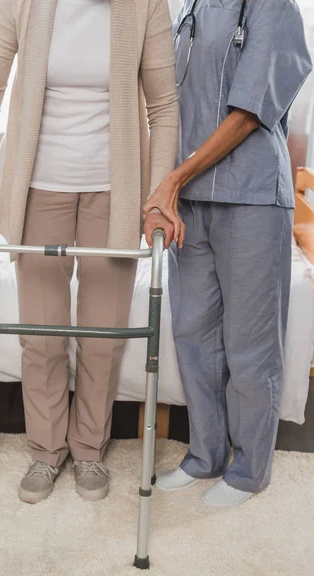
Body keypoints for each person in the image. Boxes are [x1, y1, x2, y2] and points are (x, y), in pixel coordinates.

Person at [0, 0, 178, 503]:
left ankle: (90, 449)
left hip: (114, 193)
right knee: (42, 334)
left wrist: (157, 198)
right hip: (36, 190)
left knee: (102, 337)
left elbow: (163, 107)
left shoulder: (145, 5)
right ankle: (45, 450)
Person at [144, 0, 313, 506]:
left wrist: (171, 179)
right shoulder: (187, 10)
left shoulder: (274, 9)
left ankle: (249, 470)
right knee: (194, 334)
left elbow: (249, 113)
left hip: (252, 196)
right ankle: (205, 455)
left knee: (249, 342)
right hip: (189, 202)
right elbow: (166, 103)